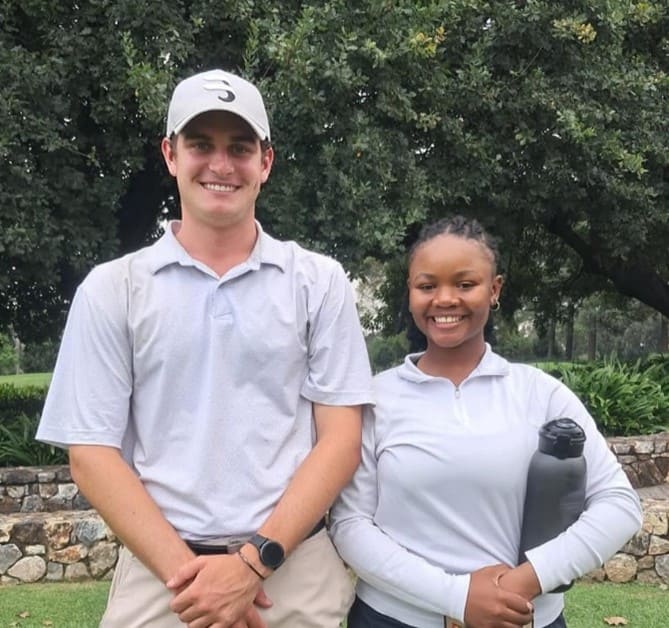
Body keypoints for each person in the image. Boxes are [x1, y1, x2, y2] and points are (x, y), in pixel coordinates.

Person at [36, 68, 374, 628]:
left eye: (240, 147)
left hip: (292, 570)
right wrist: (201, 583)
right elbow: (91, 455)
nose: (221, 165)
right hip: (163, 576)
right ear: (170, 155)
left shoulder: (317, 281)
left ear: (266, 162)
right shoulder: (114, 288)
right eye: (201, 145)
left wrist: (251, 566)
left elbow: (340, 441)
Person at [330, 215, 643, 628]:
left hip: (524, 618)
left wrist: (524, 582)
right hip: (395, 619)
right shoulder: (375, 399)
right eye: (427, 286)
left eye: (465, 284)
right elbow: (350, 523)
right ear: (410, 292)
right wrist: (457, 598)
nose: (445, 299)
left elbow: (619, 504)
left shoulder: (540, 394)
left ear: (494, 289)